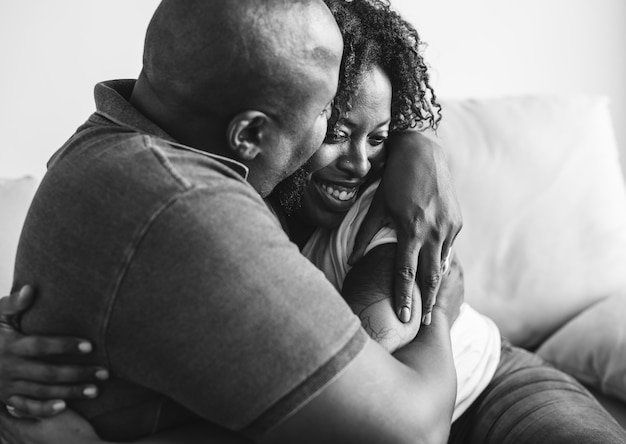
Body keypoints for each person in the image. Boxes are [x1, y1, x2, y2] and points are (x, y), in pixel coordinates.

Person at [2, 1, 626, 443]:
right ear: (250, 132)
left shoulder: (119, 150)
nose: (353, 153)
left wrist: (418, 146)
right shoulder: (201, 205)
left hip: (484, 380)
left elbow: (379, 372)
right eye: (330, 117)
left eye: (379, 136)